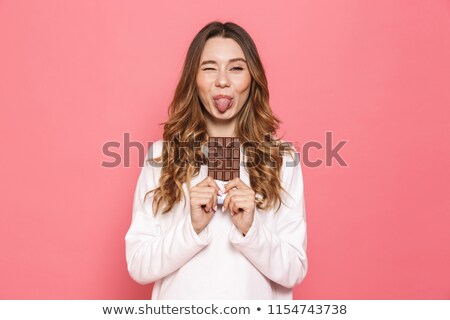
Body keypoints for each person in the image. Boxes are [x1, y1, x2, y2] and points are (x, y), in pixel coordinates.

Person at [125, 21, 307, 299]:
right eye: (209, 68)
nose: (222, 80)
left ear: (252, 79)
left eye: (235, 68)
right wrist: (192, 227)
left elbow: (294, 269)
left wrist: (251, 230)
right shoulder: (162, 156)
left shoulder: (282, 159)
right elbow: (138, 265)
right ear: (194, 80)